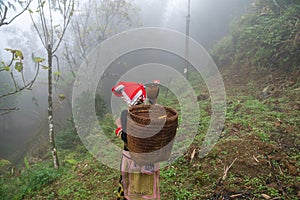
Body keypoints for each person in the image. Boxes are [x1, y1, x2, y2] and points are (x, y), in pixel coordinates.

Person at [112, 81, 160, 200]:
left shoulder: (126, 115)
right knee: (147, 188)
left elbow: (128, 138)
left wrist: (118, 131)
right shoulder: (150, 111)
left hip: (132, 158)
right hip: (149, 158)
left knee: (131, 188)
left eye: (125, 97)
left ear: (130, 99)